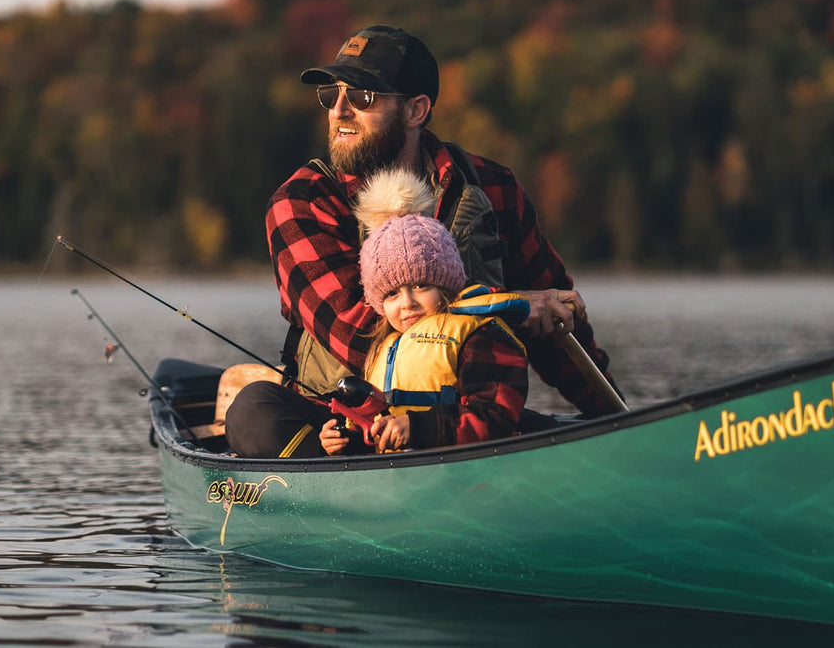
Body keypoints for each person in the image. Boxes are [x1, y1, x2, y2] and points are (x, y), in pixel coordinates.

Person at [224, 24, 620, 458]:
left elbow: (560, 328)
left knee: (589, 436)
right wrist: (515, 307)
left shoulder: (494, 187)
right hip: (346, 429)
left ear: (416, 111)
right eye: (330, 96)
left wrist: (619, 421)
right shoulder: (300, 202)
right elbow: (359, 334)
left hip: (467, 425)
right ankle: (326, 506)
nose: (338, 111)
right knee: (254, 410)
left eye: (362, 98)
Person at [317, 168, 530, 454]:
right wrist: (346, 439)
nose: (407, 303)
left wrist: (416, 427)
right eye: (391, 294)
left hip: (466, 471)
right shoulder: (382, 346)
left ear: (446, 285)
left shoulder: (481, 335)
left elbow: (495, 418)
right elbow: (375, 427)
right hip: (399, 475)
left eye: (420, 285)